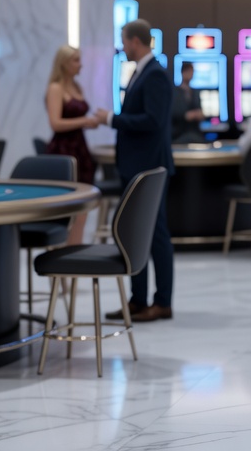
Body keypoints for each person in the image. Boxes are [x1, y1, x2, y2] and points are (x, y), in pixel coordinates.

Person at [101, 19, 175, 323]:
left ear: (135, 41)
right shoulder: (141, 72)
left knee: (155, 234)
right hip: (135, 166)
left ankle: (162, 302)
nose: (122, 47)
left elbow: (152, 121)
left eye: (124, 41)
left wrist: (111, 119)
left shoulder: (155, 74)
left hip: (149, 168)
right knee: (135, 233)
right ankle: (138, 300)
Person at [44, 45, 101, 244]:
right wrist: (84, 121)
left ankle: (75, 251)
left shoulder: (77, 87)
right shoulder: (55, 88)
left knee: (82, 208)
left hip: (80, 148)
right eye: (76, 60)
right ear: (64, 63)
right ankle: (65, 252)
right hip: (63, 150)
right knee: (67, 207)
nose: (81, 65)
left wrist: (89, 123)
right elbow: (55, 123)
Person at [171, 62, 205, 144]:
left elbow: (200, 111)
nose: (191, 74)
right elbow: (172, 113)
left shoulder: (195, 92)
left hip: (195, 134)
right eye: (189, 71)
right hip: (179, 134)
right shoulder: (174, 92)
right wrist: (187, 116)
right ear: (183, 72)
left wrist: (200, 115)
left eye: (192, 72)